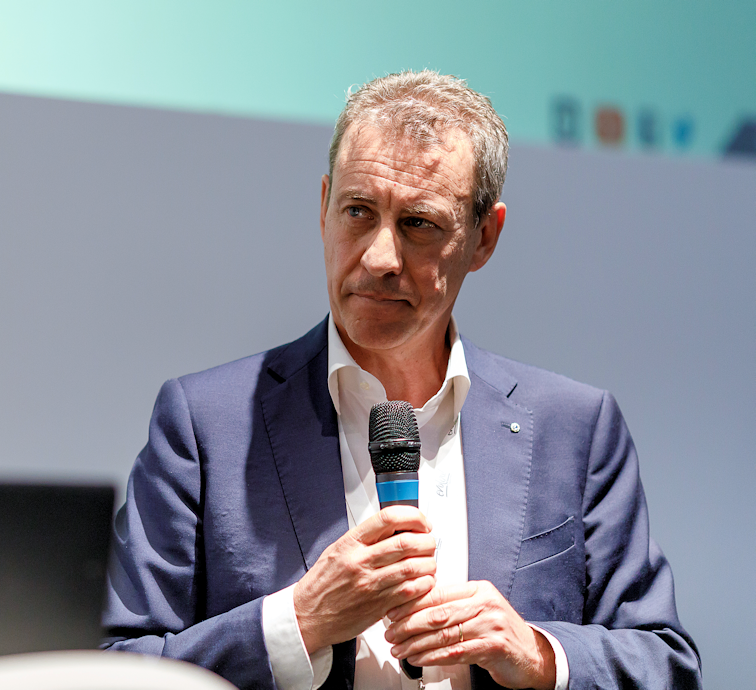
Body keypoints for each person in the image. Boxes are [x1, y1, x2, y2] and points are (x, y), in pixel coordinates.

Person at [103, 71, 702, 690]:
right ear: (324, 207)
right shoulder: (206, 425)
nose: (379, 258)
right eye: (358, 212)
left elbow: (665, 665)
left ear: (484, 237)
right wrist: (299, 622)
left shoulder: (574, 429)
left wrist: (538, 654)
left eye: (418, 223)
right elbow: (113, 667)